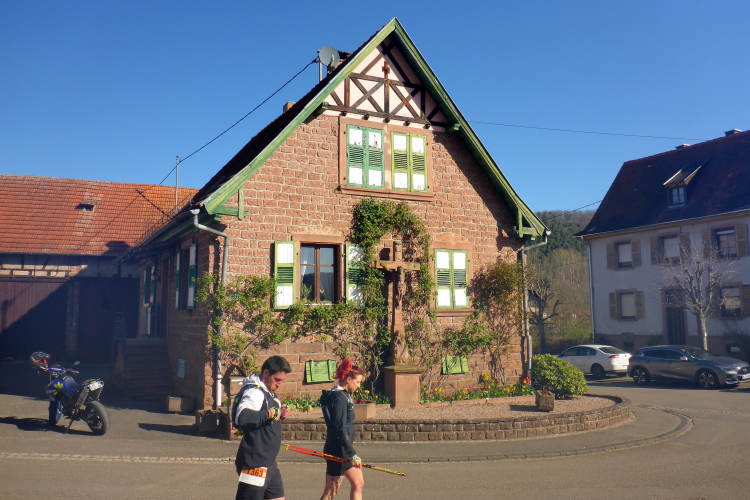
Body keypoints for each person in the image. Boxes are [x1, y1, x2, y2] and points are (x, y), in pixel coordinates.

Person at [234, 355, 292, 500]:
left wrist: (280, 414)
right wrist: (268, 413)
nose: (279, 384)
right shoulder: (254, 392)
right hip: (254, 463)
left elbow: (263, 419)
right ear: (266, 373)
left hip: (269, 462)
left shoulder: (268, 393)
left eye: (282, 381)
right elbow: (242, 417)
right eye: (277, 379)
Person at [319, 358, 365, 500]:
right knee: (330, 492)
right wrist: (352, 454)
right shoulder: (338, 398)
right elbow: (339, 428)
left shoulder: (344, 396)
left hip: (345, 449)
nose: (358, 386)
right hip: (338, 450)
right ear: (349, 379)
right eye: (357, 382)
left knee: (358, 483)